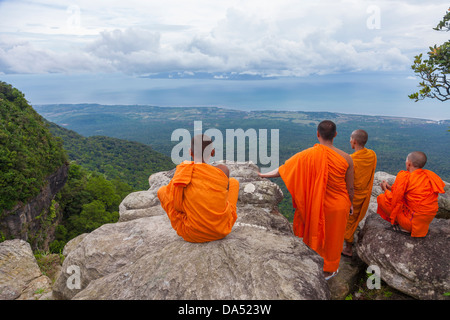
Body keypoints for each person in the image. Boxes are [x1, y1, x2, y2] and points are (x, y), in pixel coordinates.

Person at [259, 120, 354, 280]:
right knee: (334, 237)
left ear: (317, 134)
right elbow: (350, 188)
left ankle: (313, 264)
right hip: (339, 205)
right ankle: (330, 269)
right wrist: (350, 202)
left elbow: (284, 169)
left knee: (315, 231)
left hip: (316, 204)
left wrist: (263, 174)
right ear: (335, 135)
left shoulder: (308, 154)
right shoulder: (346, 158)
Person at [157, 134, 239, 243]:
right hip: (222, 230)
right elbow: (224, 193)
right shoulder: (222, 171)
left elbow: (177, 205)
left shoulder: (183, 171)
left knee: (162, 191)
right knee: (233, 183)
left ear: (190, 152)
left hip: (192, 233)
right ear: (212, 152)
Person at [377, 151, 445, 237]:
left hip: (412, 222)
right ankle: (412, 226)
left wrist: (385, 190)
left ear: (408, 164)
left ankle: (405, 228)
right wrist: (390, 188)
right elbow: (407, 192)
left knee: (381, 198)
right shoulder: (429, 175)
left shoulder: (406, 177)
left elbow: (394, 199)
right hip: (426, 221)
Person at [342, 130, 377, 257]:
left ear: (354, 141)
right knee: (353, 220)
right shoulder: (372, 154)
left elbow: (347, 180)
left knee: (349, 221)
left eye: (350, 139)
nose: (350, 141)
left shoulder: (351, 160)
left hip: (354, 195)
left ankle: (348, 248)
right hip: (365, 193)